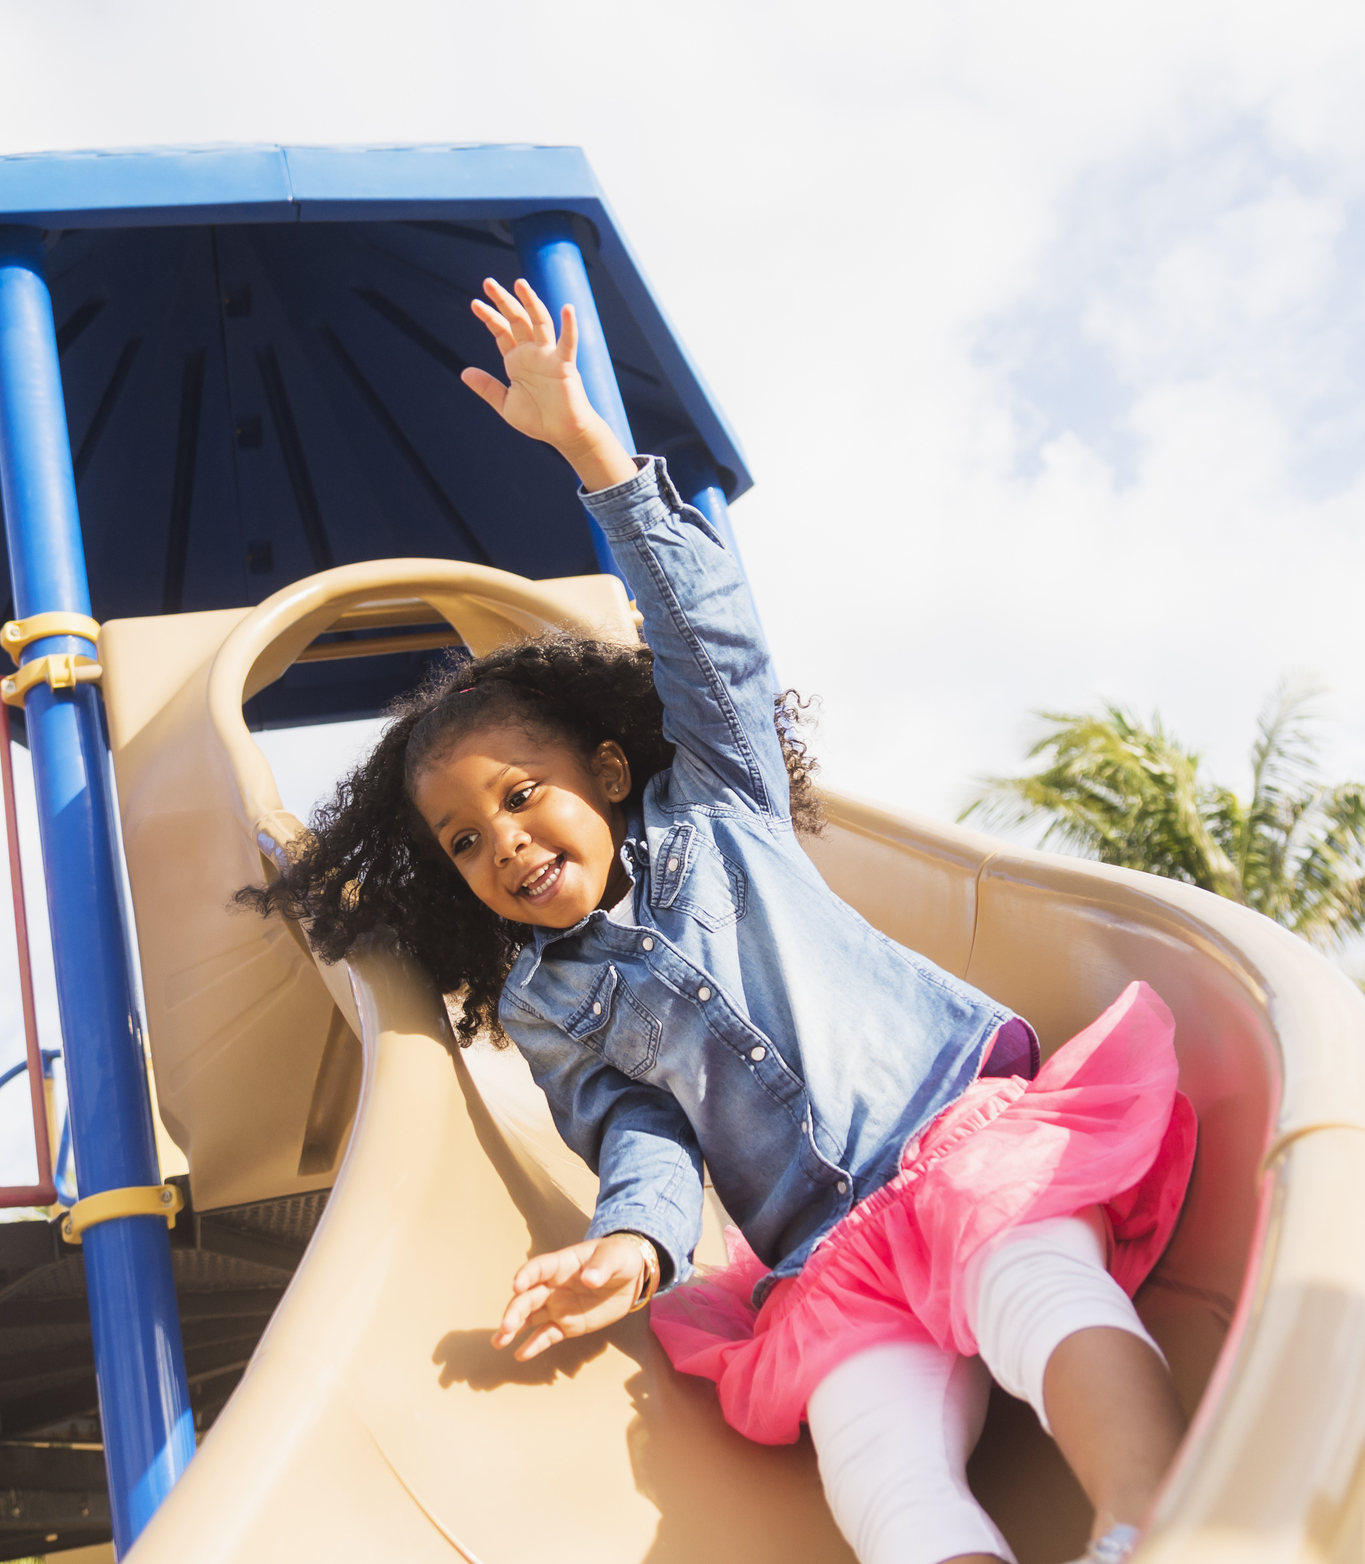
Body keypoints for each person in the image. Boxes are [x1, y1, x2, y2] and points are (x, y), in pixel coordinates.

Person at [239, 277, 1195, 1564]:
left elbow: (713, 644)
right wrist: (631, 1248)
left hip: (962, 1140)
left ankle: (1158, 1519)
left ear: (611, 775)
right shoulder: (549, 1002)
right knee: (872, 1449)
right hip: (828, 1254)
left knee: (1033, 1287)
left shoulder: (721, 810)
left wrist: (591, 454)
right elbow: (638, 1134)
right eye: (465, 841)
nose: (505, 842)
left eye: (524, 798)